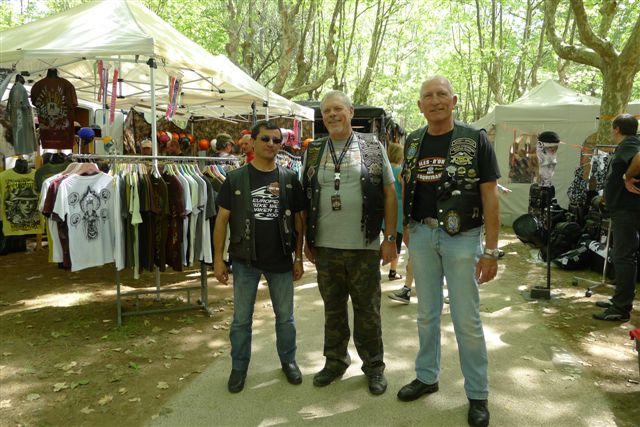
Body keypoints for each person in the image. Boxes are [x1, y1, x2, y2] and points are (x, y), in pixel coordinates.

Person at [398, 76, 500, 427]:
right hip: (422, 234)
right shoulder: (413, 141)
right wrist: (406, 227)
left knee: (466, 319)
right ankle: (427, 376)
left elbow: (490, 195)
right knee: (426, 313)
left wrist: (491, 250)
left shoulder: (475, 139)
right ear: (420, 105)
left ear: (454, 101)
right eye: (428, 96)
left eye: (442, 94)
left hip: (463, 237)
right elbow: (406, 185)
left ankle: (477, 393)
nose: (435, 100)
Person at [302, 90, 397, 395]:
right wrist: (306, 240)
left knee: (367, 311)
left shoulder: (371, 146)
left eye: (337, 109)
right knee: (333, 309)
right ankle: (335, 361)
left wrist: (389, 238)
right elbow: (306, 198)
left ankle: (374, 367)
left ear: (351, 111)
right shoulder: (314, 150)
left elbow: (389, 194)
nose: (332, 115)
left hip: (364, 246)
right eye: (326, 111)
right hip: (326, 246)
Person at [213, 120, 305, 393]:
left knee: (285, 318)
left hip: (281, 259)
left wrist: (299, 257)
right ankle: (239, 367)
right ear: (252, 141)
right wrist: (218, 259)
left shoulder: (290, 179)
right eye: (265, 139)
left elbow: (299, 220)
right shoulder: (235, 178)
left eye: (277, 140)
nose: (271, 144)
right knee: (241, 319)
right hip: (245, 260)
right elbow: (221, 221)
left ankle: (288, 361)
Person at [593, 113, 640, 322]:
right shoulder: (631, 144)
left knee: (623, 257)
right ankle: (620, 300)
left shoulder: (630, 143)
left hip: (627, 210)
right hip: (624, 208)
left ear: (616, 129)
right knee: (623, 255)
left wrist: (626, 176)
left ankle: (621, 308)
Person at [386, 143, 405, 281]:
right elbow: (404, 191)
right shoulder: (400, 171)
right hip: (398, 207)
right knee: (397, 239)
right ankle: (393, 271)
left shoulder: (385, 170)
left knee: (386, 237)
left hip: (385, 206)